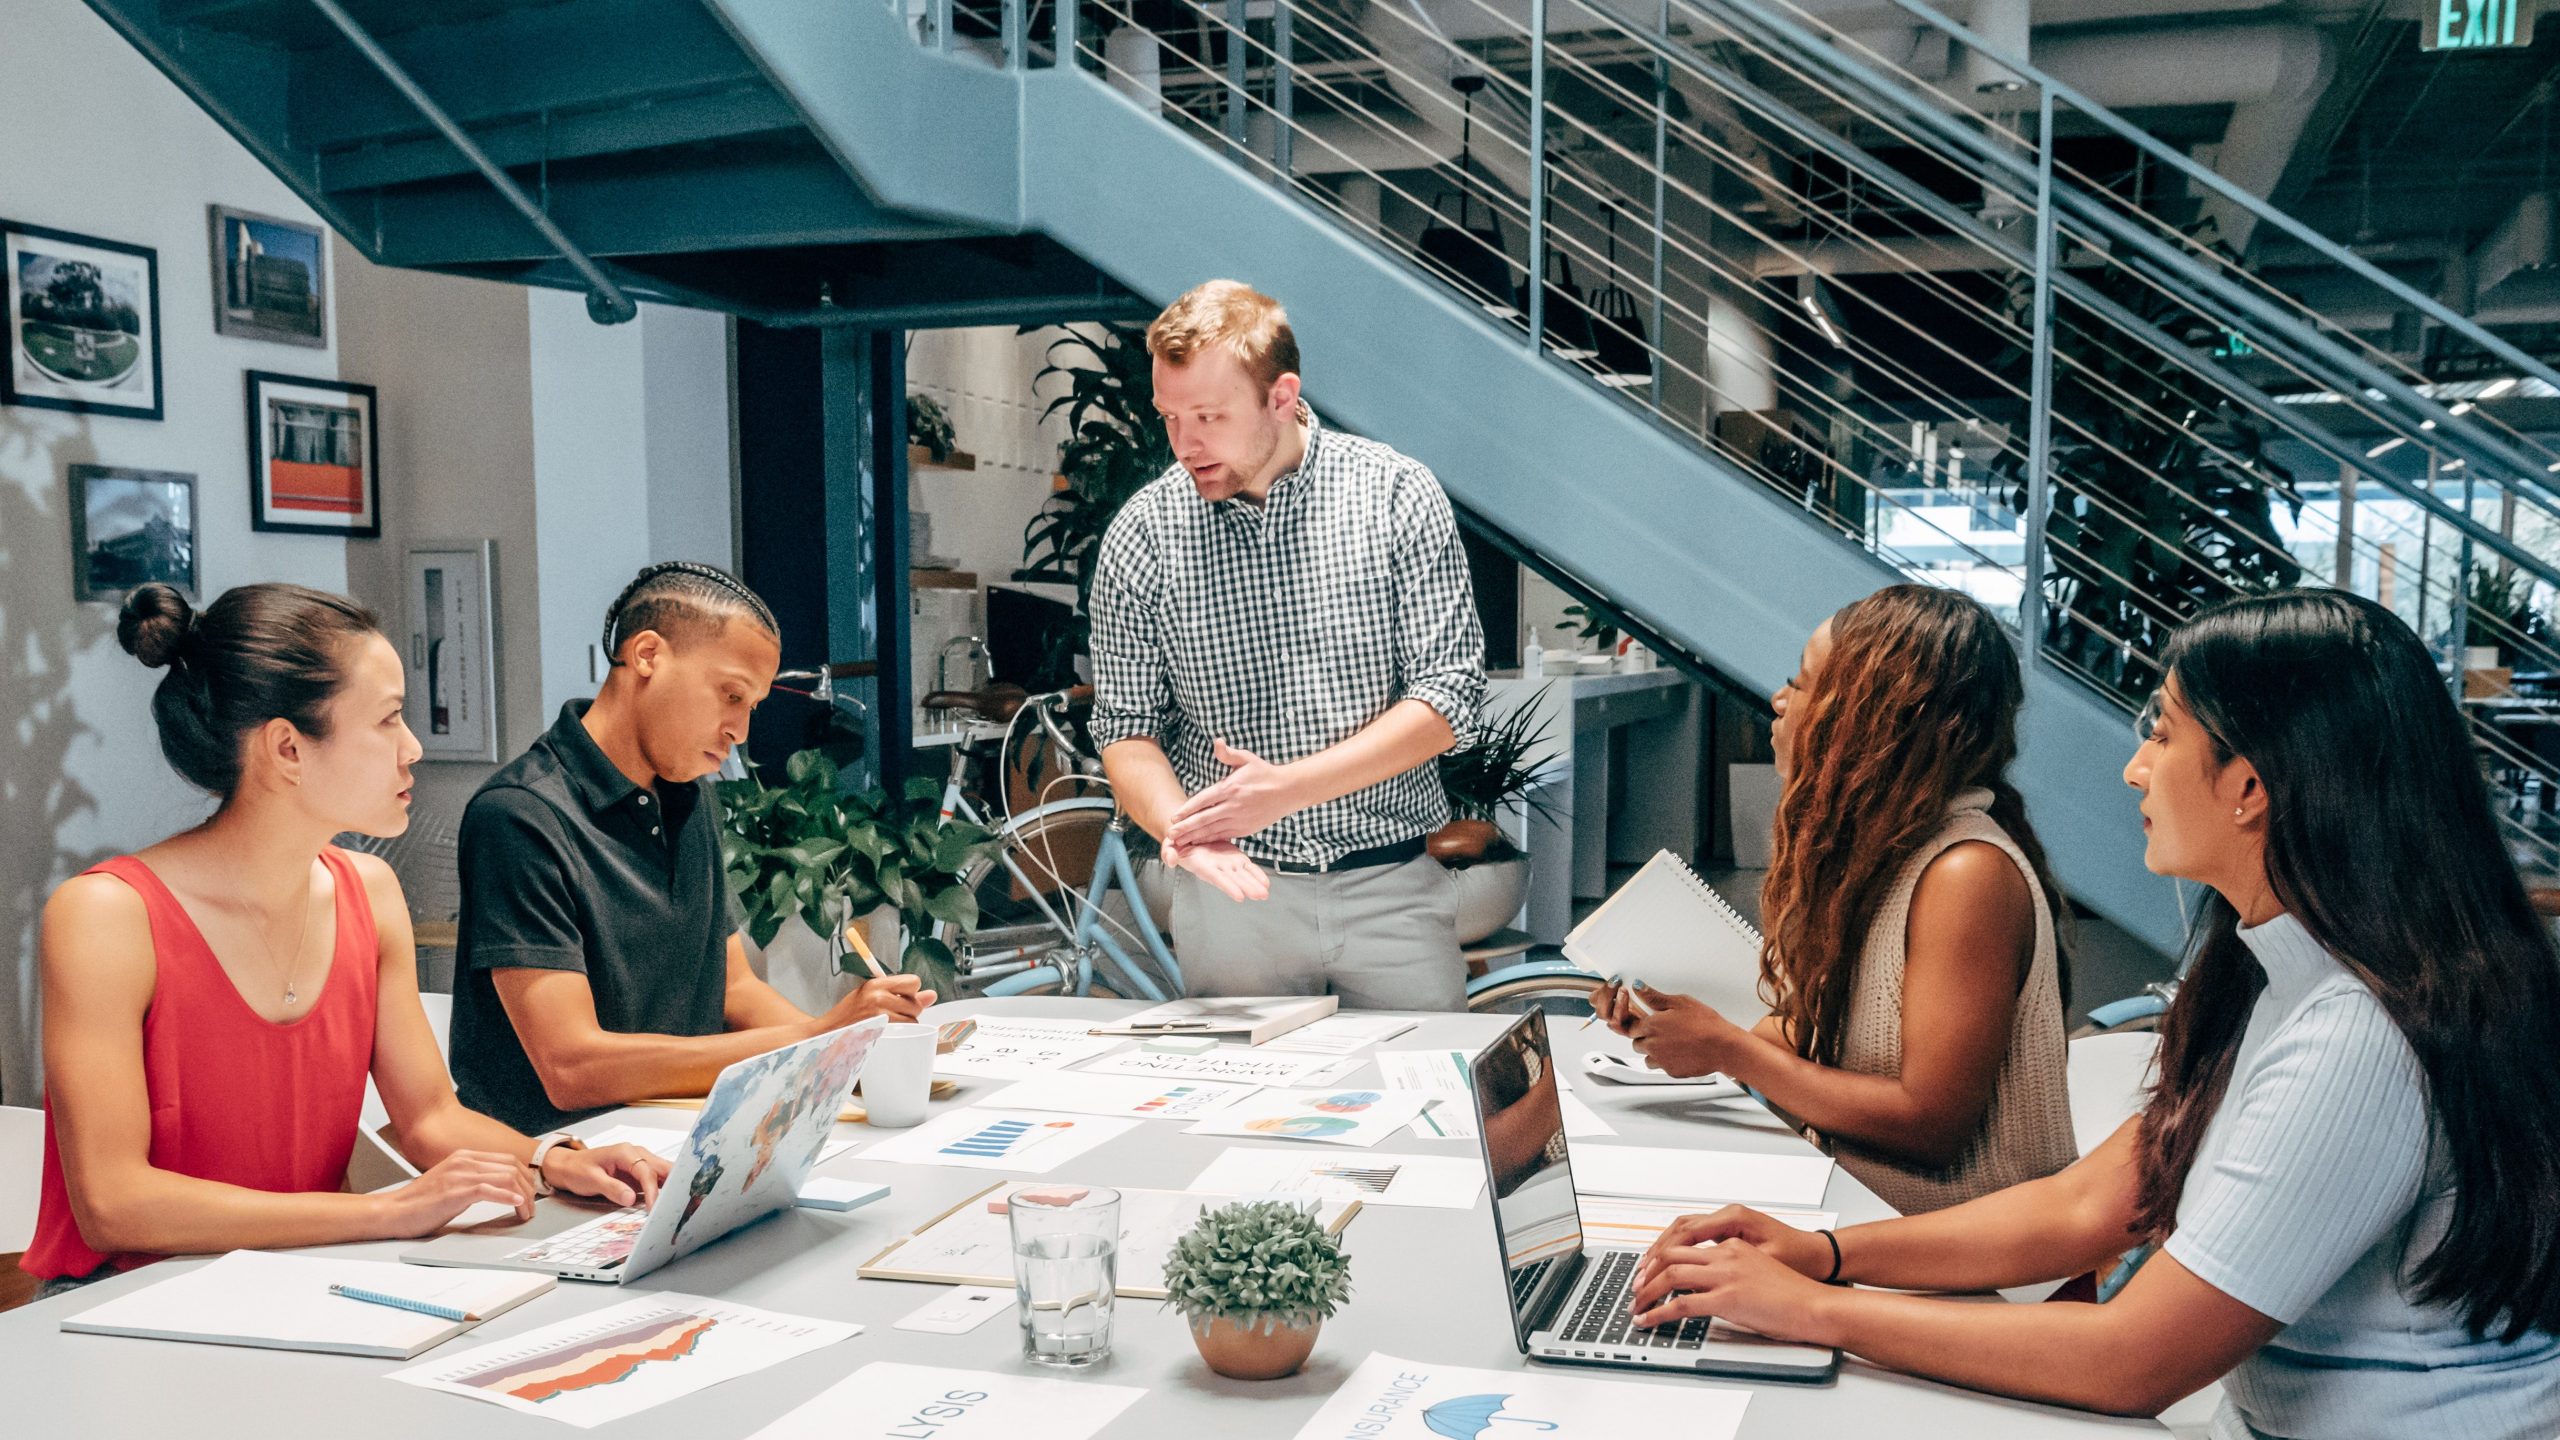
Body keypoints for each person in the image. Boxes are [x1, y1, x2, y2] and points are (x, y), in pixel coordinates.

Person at [1623, 590, 2560, 1435]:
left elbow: (2134, 1362)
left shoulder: (2357, 1037)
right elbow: (2093, 1200)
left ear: (2250, 787)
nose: (2134, 769)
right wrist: (1820, 1254)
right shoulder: (2270, 972)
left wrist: (1813, 1308)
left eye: (2164, 734)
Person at [24, 583, 668, 1298]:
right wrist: (384, 1211)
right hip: (123, 1308)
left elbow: (428, 1118)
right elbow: (115, 1206)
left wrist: (552, 1160)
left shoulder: (369, 891)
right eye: (389, 720)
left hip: (308, 1284)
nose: (413, 748)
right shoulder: (103, 916)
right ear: (288, 748)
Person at [1595, 585, 2075, 1213]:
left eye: (1801, 684)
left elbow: (1930, 1126)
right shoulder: (1886, 849)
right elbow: (1814, 1029)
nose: (1779, 700)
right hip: (1876, 1220)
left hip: (1981, 1270)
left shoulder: (1966, 874)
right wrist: (1678, 1030)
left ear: (1873, 717)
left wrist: (1728, 1049)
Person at [1087, 279, 1487, 1010]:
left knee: (1426, 1112)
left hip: (1391, 890)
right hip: (1231, 902)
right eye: (1170, 418)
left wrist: (1287, 789)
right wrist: (1187, 828)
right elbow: (1127, 730)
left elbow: (1447, 699)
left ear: (1281, 396)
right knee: (1242, 1122)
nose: (1186, 446)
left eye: (1209, 416)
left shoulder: (1396, 494)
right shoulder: (1144, 533)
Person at [447, 561, 930, 1136]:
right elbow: (571, 1067)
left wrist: (841, 1056)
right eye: (730, 695)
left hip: (679, 1139)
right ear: (648, 655)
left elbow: (735, 988)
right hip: (557, 1164)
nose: (740, 731)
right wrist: (818, 1034)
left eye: (751, 705)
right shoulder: (520, 815)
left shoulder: (688, 797)